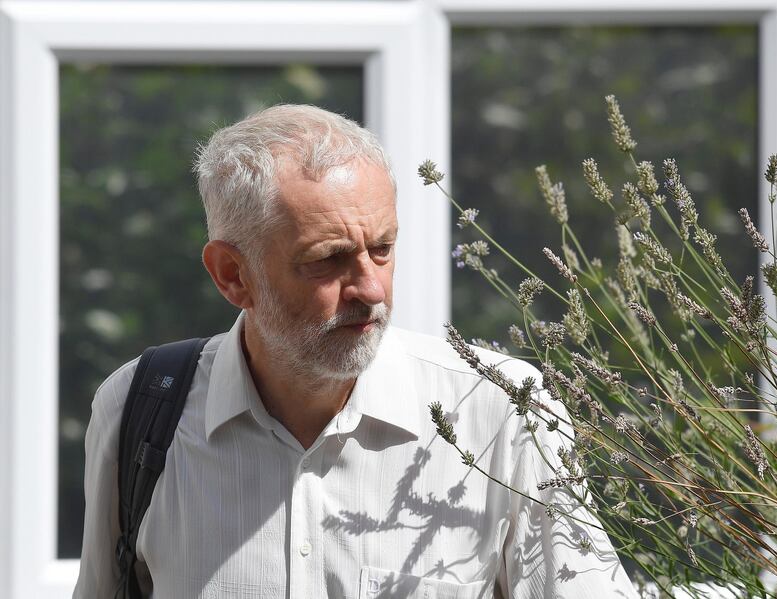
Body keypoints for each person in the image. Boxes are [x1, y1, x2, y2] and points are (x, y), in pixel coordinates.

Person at [74, 105, 636, 598]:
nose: (370, 289)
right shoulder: (141, 409)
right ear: (232, 275)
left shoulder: (500, 411)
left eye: (383, 249)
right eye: (328, 259)